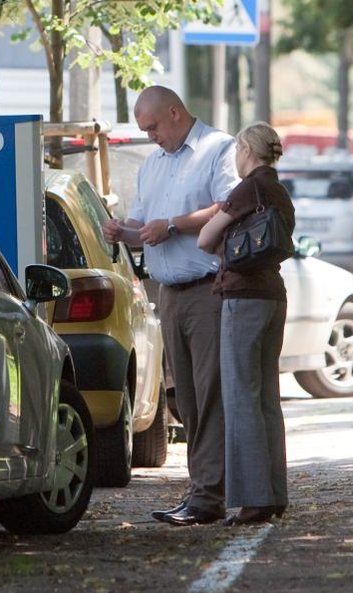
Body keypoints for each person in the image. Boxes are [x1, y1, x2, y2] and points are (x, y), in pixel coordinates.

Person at [101, 86, 239, 526]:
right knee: (187, 400)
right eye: (145, 130)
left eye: (154, 127)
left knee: (209, 393)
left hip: (206, 288)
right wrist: (122, 231)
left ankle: (208, 495)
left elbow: (229, 206)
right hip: (168, 293)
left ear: (176, 113)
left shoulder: (218, 149)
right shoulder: (153, 165)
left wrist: (175, 225)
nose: (151, 136)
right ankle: (202, 490)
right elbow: (145, 226)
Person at [197, 121, 294, 526]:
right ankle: (274, 491)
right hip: (273, 294)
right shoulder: (280, 191)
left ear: (244, 149)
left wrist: (219, 230)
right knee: (267, 398)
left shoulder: (247, 189)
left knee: (241, 397)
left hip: (243, 296)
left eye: (236, 151)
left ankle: (253, 499)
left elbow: (205, 238)